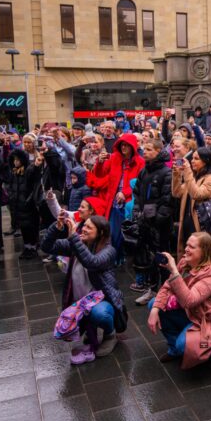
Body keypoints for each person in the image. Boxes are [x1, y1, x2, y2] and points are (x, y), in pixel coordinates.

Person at [41, 214, 124, 364]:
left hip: (103, 302)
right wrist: (56, 228)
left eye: (89, 227)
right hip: (80, 301)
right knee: (77, 325)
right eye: (84, 225)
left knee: (99, 314)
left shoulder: (109, 251)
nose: (83, 229)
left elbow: (91, 262)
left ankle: (110, 335)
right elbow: (47, 246)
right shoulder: (77, 243)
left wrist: (73, 237)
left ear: (101, 233)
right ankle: (89, 327)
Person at [147, 231, 211, 368]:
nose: (186, 249)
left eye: (192, 247)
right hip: (192, 313)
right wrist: (155, 309)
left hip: (209, 320)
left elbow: (189, 300)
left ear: (204, 252)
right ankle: (174, 349)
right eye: (187, 245)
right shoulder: (185, 263)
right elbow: (167, 287)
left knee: (184, 346)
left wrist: (174, 271)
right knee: (154, 304)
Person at [86, 132, 144, 263]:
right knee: (112, 231)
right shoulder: (114, 158)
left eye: (127, 145)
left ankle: (120, 256)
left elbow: (140, 182)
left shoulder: (140, 162)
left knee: (124, 232)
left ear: (132, 147)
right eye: (122, 145)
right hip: (113, 200)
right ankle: (114, 257)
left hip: (129, 202)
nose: (123, 148)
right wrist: (100, 163)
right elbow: (100, 173)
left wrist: (125, 193)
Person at [130, 138, 174, 305]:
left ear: (158, 151)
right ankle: (153, 289)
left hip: (160, 226)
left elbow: (167, 201)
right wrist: (137, 212)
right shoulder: (144, 171)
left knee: (162, 258)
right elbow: (137, 193)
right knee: (150, 258)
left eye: (148, 149)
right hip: (145, 223)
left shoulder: (166, 172)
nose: (144, 152)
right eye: (144, 149)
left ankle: (166, 291)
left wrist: (157, 220)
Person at [171, 147, 211, 256]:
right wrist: (176, 174)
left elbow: (197, 195)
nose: (192, 161)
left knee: (200, 256)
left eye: (196, 159)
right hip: (187, 222)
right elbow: (176, 192)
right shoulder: (193, 178)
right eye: (192, 158)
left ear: (206, 161)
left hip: (200, 224)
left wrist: (187, 172)